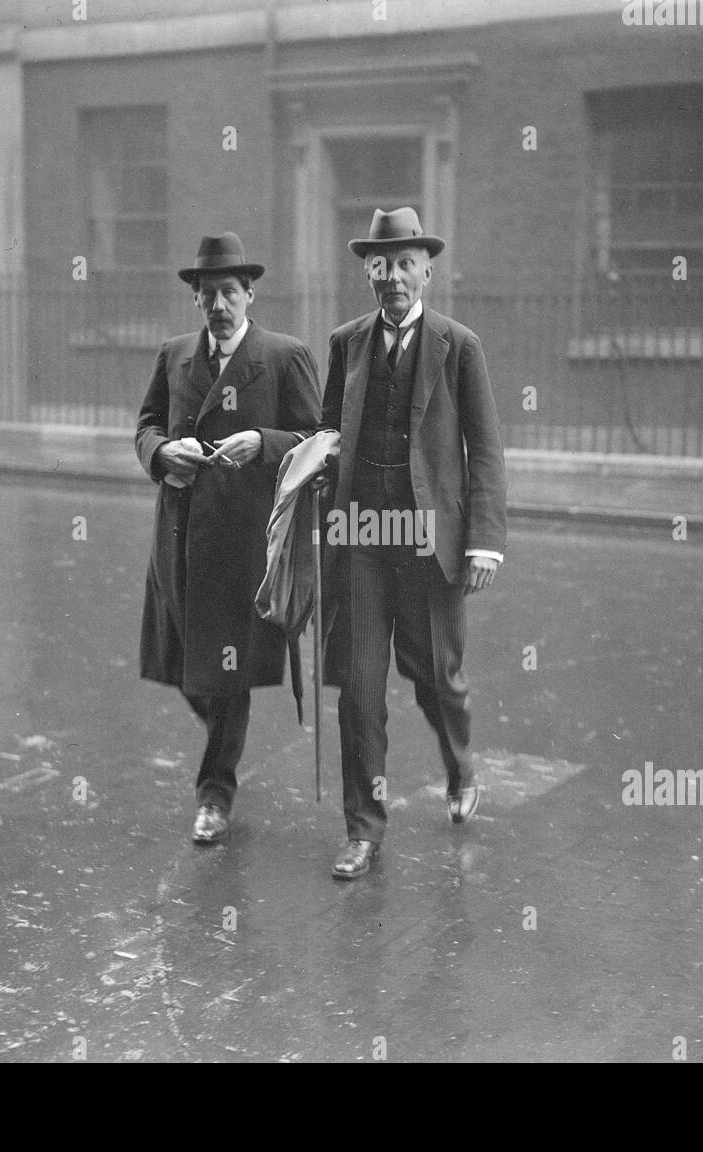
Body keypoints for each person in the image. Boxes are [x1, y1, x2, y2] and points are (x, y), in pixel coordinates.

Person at [317, 207, 507, 879]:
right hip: (364, 538)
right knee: (360, 691)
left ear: (428, 269)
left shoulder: (459, 346)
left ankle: (459, 768)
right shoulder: (347, 343)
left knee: (436, 680)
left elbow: (484, 449)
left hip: (431, 543)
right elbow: (328, 436)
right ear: (369, 273)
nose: (393, 276)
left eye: (405, 263)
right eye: (381, 264)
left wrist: (484, 542)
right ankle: (364, 829)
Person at [136, 233, 321, 843]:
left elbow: (321, 440)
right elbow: (145, 426)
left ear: (250, 294)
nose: (219, 305)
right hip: (182, 537)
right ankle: (223, 757)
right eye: (208, 294)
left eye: (230, 293)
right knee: (194, 671)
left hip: (247, 545)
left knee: (229, 670)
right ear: (196, 300)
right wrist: (163, 453)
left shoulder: (284, 356)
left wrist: (265, 443)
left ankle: (214, 795)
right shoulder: (173, 356)